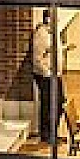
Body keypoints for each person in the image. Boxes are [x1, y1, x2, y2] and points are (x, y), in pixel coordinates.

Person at [29, 9, 61, 140]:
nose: (57, 21)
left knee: (59, 101)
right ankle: (47, 133)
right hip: (46, 76)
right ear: (48, 19)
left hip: (55, 74)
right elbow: (37, 59)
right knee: (48, 104)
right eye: (55, 19)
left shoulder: (52, 32)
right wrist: (46, 73)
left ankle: (53, 131)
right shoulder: (42, 35)